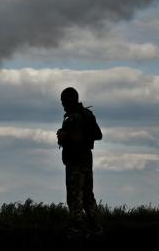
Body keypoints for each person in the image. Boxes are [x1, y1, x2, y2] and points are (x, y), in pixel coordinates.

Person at [56, 87, 102, 235]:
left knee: (74, 196)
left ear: (70, 100)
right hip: (87, 161)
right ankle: (96, 227)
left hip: (75, 162)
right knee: (88, 196)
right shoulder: (87, 115)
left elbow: (76, 138)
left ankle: (77, 228)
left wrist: (65, 136)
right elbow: (98, 135)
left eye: (64, 101)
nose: (63, 104)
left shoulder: (73, 118)